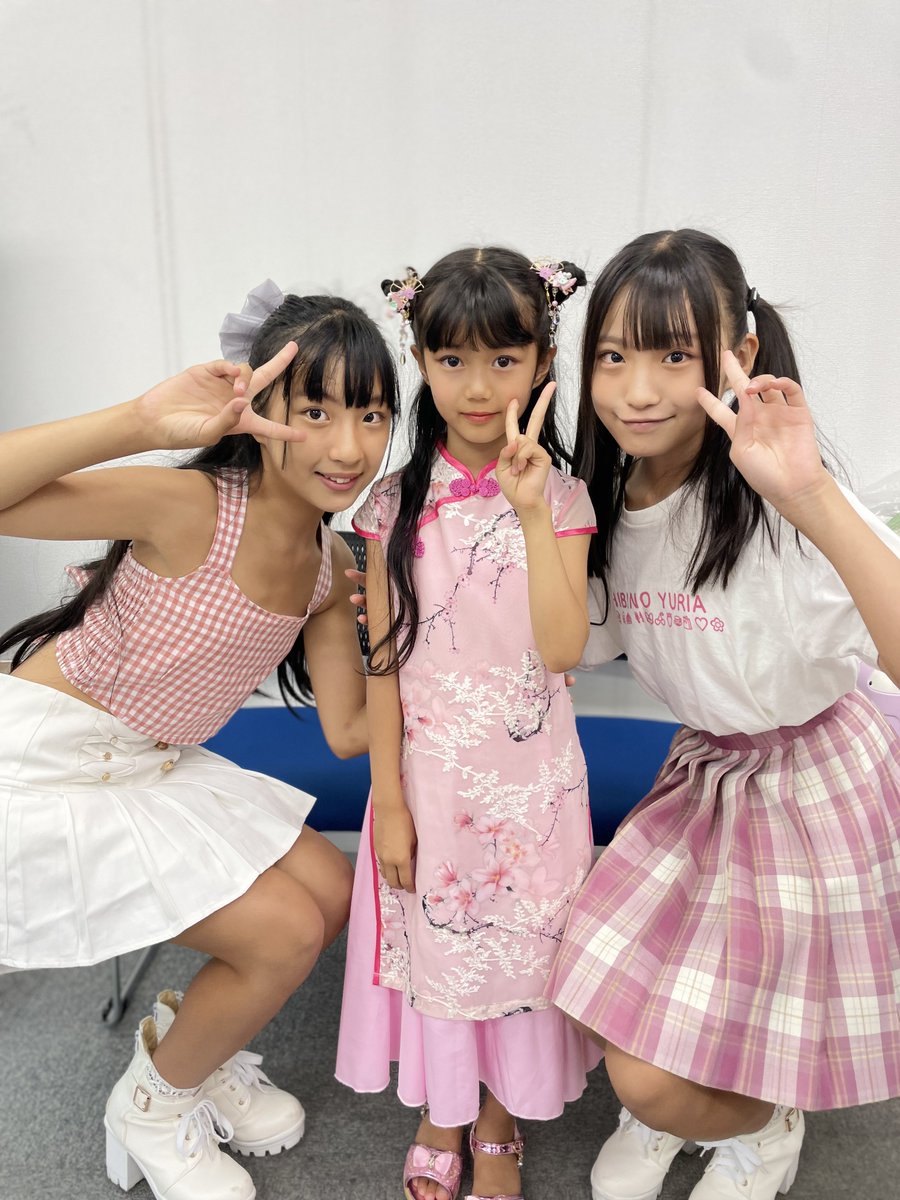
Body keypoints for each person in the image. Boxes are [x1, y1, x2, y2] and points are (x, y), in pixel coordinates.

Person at [0, 284, 397, 1200]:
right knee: (282, 934)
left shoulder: (331, 566)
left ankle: (193, 1049)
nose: (348, 447)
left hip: (148, 763)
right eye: (316, 412)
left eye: (372, 416)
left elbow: (348, 731)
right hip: (43, 766)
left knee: (332, 891)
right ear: (259, 411)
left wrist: (461, 680)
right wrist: (140, 420)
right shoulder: (192, 505)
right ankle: (149, 1108)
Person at [544, 229, 900, 1200]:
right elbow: (575, 643)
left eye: (673, 355)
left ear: (736, 354)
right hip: (707, 771)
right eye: (612, 355)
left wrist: (809, 493)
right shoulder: (611, 496)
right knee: (599, 977)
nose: (637, 390)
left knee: (676, 1061)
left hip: (813, 783)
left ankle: (764, 1124)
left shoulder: (777, 501)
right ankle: (683, 1108)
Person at [335, 247, 601, 1200]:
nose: (478, 386)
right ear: (420, 359)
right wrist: (389, 802)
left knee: (518, 951)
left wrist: (529, 513)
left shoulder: (564, 499)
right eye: (452, 360)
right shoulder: (390, 504)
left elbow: (563, 648)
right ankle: (442, 1107)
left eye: (503, 359)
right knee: (442, 946)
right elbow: (381, 660)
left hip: (533, 785)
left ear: (543, 362)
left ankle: (496, 1117)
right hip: (431, 780)